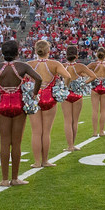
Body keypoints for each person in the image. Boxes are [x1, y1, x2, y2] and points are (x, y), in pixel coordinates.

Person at [0, 40, 44, 187]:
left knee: (4, 142)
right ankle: (15, 178)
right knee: (16, 143)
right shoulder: (22, 66)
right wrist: (34, 94)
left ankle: (4, 180)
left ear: (3, 53)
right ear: (17, 52)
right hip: (19, 104)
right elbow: (39, 78)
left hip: (2, 104)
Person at [28, 40, 70, 168]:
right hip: (49, 97)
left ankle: (36, 162)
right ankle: (45, 161)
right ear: (48, 51)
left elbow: (20, 78)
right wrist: (63, 89)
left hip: (34, 96)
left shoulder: (29, 64)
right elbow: (68, 76)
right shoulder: (54, 64)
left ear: (36, 51)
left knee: (36, 132)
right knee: (46, 132)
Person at [56, 46, 97, 152]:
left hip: (66, 93)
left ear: (66, 55)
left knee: (67, 121)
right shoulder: (80, 66)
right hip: (77, 94)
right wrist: (82, 84)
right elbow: (93, 76)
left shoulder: (62, 66)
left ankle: (69, 146)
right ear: (76, 55)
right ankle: (72, 145)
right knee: (75, 121)